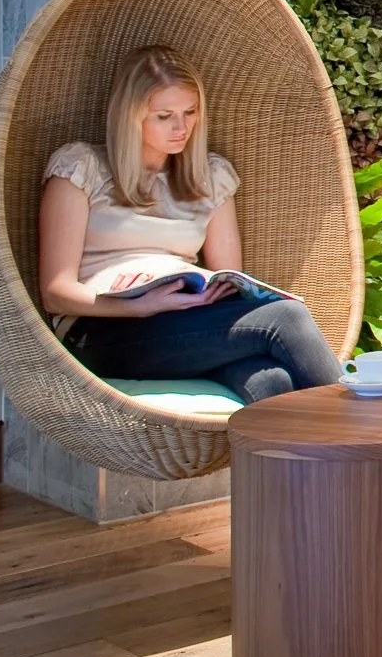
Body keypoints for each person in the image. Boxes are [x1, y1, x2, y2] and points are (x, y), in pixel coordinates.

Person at [35, 44, 341, 402]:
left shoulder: (209, 178)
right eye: (164, 116)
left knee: (272, 381)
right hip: (102, 330)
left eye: (190, 112)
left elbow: (232, 280)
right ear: (130, 116)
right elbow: (55, 293)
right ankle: (365, 425)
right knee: (287, 317)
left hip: (184, 322)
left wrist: (210, 292)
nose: (181, 127)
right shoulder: (81, 169)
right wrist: (139, 305)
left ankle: (312, 438)